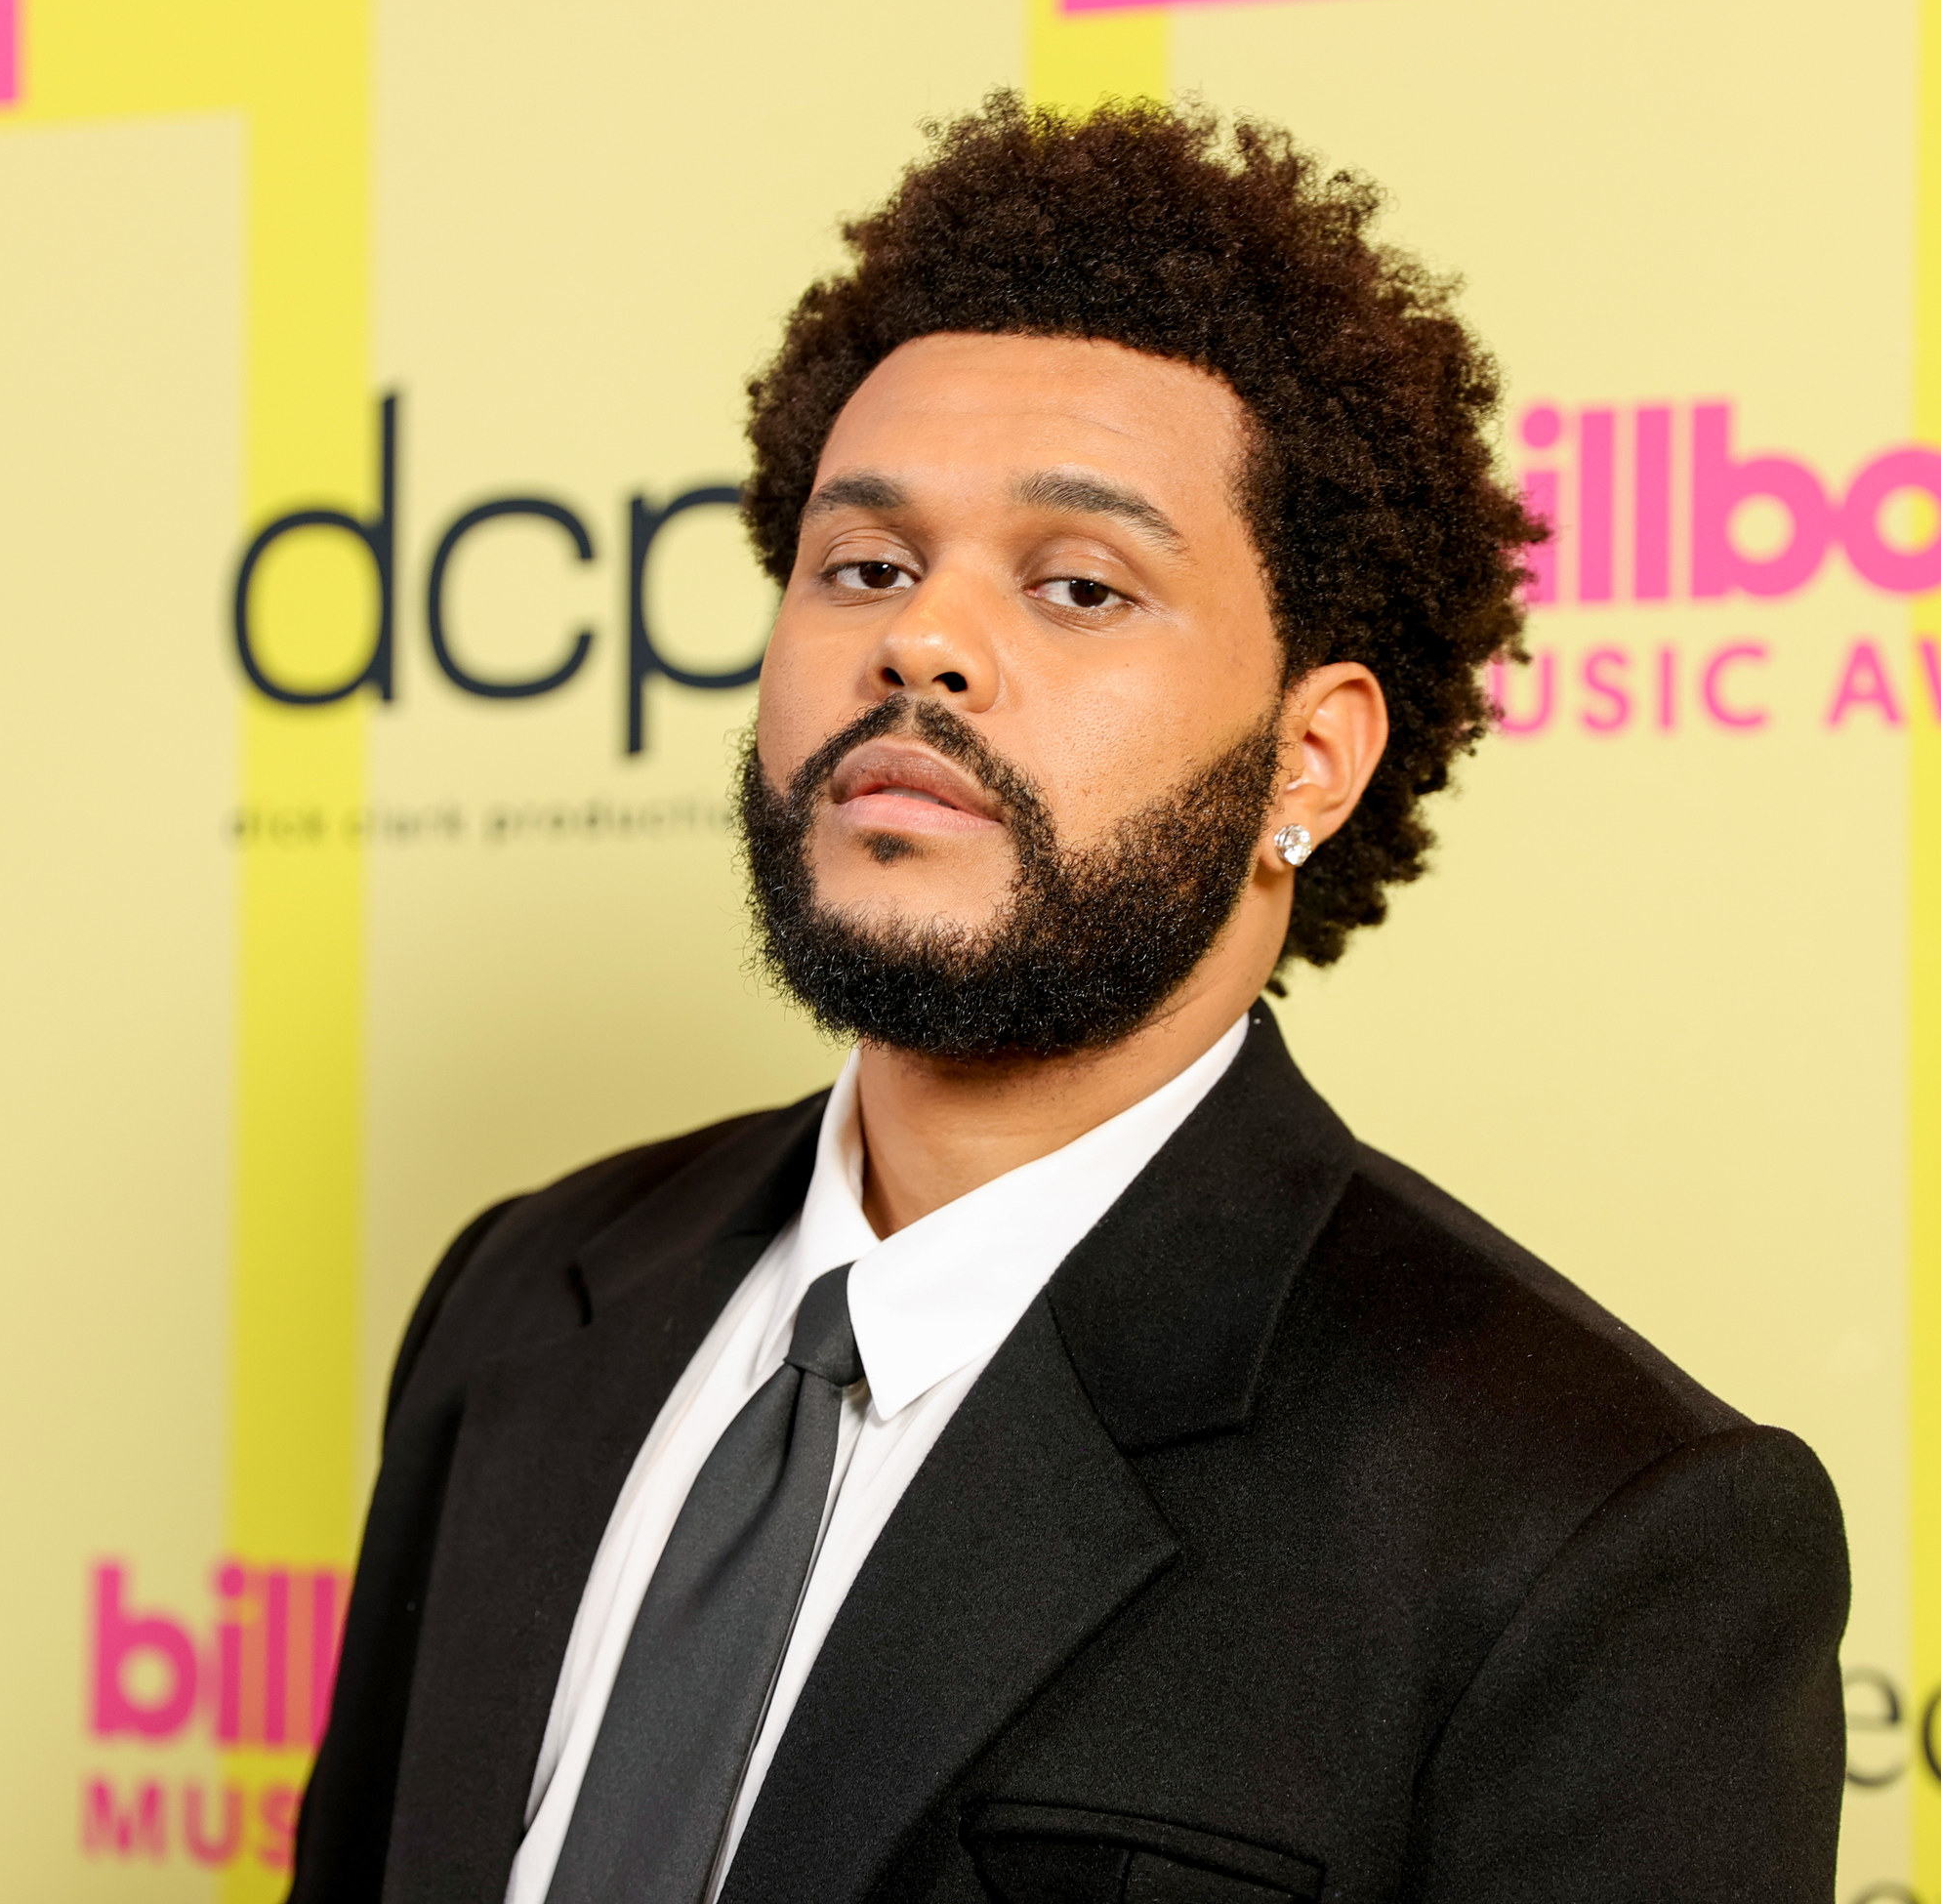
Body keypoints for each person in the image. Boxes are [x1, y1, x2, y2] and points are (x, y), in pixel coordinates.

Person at [289, 96, 1847, 1904]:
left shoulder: (1588, 1530)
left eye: (1081, 584)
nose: (920, 641)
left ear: (1313, 758)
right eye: (863, 564)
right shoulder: (526, 1297)